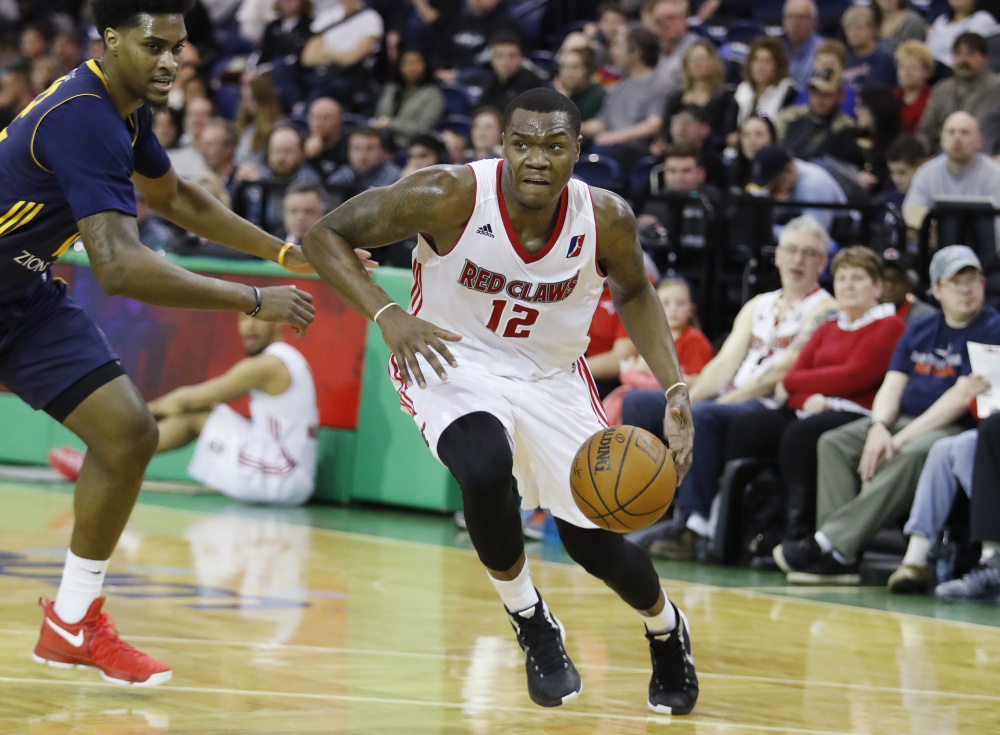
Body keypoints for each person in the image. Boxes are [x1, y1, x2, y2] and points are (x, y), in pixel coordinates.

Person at [301, 88, 699, 715]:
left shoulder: (607, 218)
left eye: (554, 145)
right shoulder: (448, 194)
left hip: (551, 377)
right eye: (523, 144)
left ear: (577, 152)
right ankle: (530, 619)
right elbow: (325, 236)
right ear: (502, 146)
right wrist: (386, 313)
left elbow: (634, 291)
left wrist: (674, 385)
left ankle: (666, 628)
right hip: (450, 359)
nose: (536, 159)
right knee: (483, 466)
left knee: (592, 541)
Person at [0, 0, 316, 687]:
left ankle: (73, 620)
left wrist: (277, 251)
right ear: (109, 41)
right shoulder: (83, 117)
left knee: (128, 433)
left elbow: (175, 198)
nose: (171, 60)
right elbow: (118, 266)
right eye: (154, 45)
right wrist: (252, 297)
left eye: (178, 46)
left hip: (19, 300)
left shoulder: (126, 106)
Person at [773, 245, 1000, 584]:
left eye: (972, 280)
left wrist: (897, 438)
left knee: (910, 454)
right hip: (902, 418)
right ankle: (842, 558)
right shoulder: (921, 329)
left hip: (953, 426)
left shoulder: (991, 328)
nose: (966, 290)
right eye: (955, 283)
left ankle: (830, 542)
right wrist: (879, 427)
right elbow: (892, 387)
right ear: (936, 290)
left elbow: (959, 398)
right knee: (834, 443)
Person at [622, 216, 835, 560]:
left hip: (773, 406)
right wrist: (681, 398)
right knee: (639, 403)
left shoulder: (825, 309)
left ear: (822, 263)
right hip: (729, 400)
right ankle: (645, 508)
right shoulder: (759, 304)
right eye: (792, 250)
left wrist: (717, 403)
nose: (798, 260)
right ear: (777, 255)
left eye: (809, 253)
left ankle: (695, 528)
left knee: (705, 417)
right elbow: (723, 365)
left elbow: (781, 372)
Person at [722, 246, 906, 557]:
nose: (848, 285)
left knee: (800, 436)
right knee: (749, 426)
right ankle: (736, 528)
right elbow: (791, 380)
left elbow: (855, 375)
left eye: (858, 278)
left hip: (860, 412)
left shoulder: (889, 326)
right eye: (842, 278)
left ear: (877, 287)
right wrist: (810, 399)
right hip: (811, 408)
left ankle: (799, 533)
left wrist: (804, 389)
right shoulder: (827, 327)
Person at [50, 312, 320, 504]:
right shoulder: (288, 358)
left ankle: (101, 462)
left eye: (257, 318)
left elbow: (188, 400)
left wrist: (139, 412)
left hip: (282, 477)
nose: (248, 327)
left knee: (195, 413)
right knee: (203, 413)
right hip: (289, 473)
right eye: (242, 318)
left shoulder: (267, 365)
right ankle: (103, 460)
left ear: (279, 322)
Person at [604, 277, 712, 424]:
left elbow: (698, 382)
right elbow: (630, 372)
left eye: (680, 303)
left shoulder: (694, 339)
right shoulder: (651, 338)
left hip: (678, 401)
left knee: (635, 400)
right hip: (654, 394)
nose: (673, 309)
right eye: (665, 303)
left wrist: (651, 372)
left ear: (691, 309)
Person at [918, 32, 1000, 149]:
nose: (963, 60)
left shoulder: (997, 88)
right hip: (942, 159)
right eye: (958, 54)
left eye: (970, 54)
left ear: (984, 57)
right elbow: (926, 132)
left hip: (987, 157)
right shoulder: (941, 89)